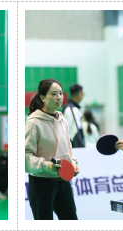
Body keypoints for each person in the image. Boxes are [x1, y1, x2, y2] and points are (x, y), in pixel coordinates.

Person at [25, 79, 80, 220]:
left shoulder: (63, 120)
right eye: (54, 94)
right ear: (42, 97)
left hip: (62, 182)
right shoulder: (33, 123)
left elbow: (68, 149)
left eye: (61, 93)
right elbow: (25, 155)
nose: (59, 97)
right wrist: (46, 165)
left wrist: (73, 163)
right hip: (41, 184)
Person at [63, 84, 85, 148]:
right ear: (80, 94)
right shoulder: (72, 109)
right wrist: (82, 151)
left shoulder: (69, 107)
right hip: (74, 151)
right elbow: (75, 134)